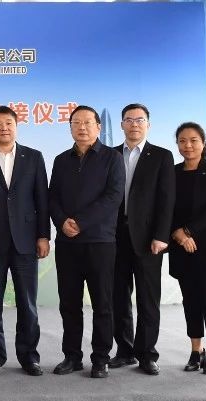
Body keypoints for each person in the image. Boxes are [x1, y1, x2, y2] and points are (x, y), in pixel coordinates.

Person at [0, 105, 48, 377]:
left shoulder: (34, 157)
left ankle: (29, 357)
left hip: (26, 241)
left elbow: (42, 199)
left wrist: (43, 235)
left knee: (28, 304)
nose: (4, 128)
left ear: (16, 126)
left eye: (8, 123)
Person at [48, 105, 125, 379]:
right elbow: (52, 196)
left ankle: (101, 358)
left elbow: (113, 196)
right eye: (76, 123)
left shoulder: (112, 158)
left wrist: (81, 222)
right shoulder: (61, 160)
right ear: (70, 127)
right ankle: (72, 356)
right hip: (67, 243)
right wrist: (62, 222)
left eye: (87, 122)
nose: (82, 127)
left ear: (98, 127)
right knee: (69, 303)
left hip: (99, 241)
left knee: (102, 303)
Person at [110, 103, 175, 375]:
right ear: (121, 125)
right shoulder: (111, 155)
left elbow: (167, 199)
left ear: (148, 124)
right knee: (118, 296)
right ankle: (124, 351)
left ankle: (147, 353)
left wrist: (161, 235)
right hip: (114, 236)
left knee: (148, 298)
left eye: (139, 120)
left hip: (149, 239)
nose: (134, 124)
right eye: (129, 120)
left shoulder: (161, 156)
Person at [167, 122, 206, 375]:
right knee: (190, 300)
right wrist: (178, 234)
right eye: (182, 141)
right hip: (180, 246)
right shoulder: (171, 173)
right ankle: (196, 350)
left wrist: (188, 231)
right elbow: (164, 208)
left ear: (203, 143)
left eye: (193, 140)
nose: (188, 145)